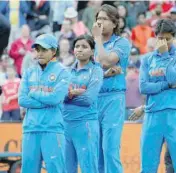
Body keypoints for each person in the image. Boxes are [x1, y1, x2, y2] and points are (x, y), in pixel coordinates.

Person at [138, 19, 176, 173]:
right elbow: (143, 87)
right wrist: (166, 85)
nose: (164, 42)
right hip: (152, 114)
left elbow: (175, 78)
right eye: (161, 38)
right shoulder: (147, 59)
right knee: (147, 166)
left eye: (168, 39)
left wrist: (165, 55)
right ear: (156, 37)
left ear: (173, 38)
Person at [18, 33, 71, 173]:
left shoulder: (63, 72)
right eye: (38, 49)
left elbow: (56, 99)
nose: (40, 53)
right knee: (28, 170)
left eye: (44, 49)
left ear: (53, 51)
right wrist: (46, 100)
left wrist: (34, 93)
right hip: (30, 128)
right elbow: (22, 100)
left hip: (52, 128)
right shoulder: (29, 72)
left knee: (56, 169)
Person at [91, 4, 131, 173]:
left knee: (110, 149)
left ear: (115, 24)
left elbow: (106, 61)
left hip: (113, 98)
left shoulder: (121, 43)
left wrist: (98, 40)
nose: (100, 22)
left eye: (105, 19)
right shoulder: (93, 44)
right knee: (96, 152)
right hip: (94, 99)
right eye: (98, 19)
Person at [63, 34, 103, 173]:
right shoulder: (66, 71)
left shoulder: (96, 71)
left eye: (84, 46)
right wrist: (72, 93)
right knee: (66, 169)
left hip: (85, 125)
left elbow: (88, 99)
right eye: (77, 46)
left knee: (89, 167)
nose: (80, 49)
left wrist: (67, 96)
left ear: (92, 51)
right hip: (65, 125)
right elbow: (58, 97)